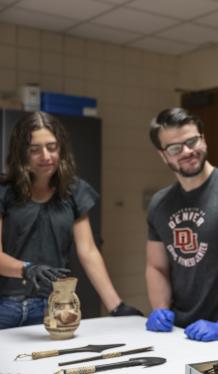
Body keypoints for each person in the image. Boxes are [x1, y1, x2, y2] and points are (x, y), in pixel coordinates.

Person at [0, 111, 141, 329]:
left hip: (52, 305)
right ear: (22, 153)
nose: (45, 156)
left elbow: (88, 251)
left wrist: (116, 306)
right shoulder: (4, 192)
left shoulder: (74, 191)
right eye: (34, 150)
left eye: (51, 147)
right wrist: (27, 269)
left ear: (61, 148)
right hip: (4, 305)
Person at [144, 108, 218, 347]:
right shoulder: (160, 204)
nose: (188, 151)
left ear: (203, 138)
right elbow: (156, 267)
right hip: (180, 332)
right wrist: (159, 308)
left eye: (192, 141)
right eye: (175, 148)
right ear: (163, 155)